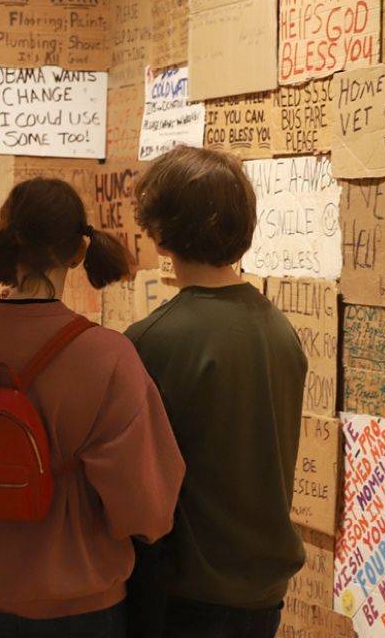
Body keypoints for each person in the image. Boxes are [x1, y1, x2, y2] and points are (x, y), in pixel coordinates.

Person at [0, 177, 185, 638]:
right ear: (79, 250)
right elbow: (145, 508)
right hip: (79, 606)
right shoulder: (108, 355)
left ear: (7, 244)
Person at [124, 146, 307, 638]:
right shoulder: (280, 330)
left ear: (160, 233)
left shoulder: (148, 342)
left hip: (182, 593)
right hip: (263, 594)